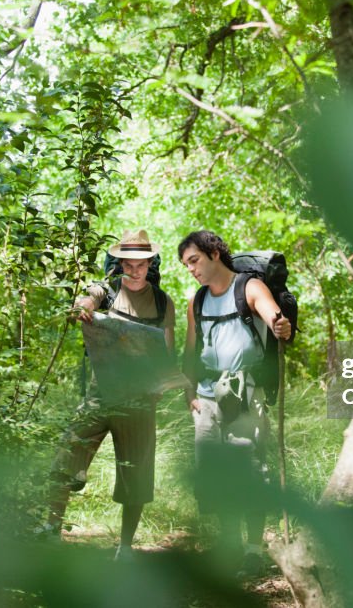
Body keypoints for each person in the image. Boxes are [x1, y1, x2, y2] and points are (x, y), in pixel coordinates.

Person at [45, 229, 175, 561]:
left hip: (140, 399)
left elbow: (167, 349)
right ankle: (50, 531)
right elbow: (86, 298)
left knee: (137, 473)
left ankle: (126, 548)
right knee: (67, 456)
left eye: (141, 265)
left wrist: (159, 383)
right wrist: (84, 307)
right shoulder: (107, 290)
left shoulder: (162, 302)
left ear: (149, 264)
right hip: (100, 393)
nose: (134, 271)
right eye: (127, 265)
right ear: (118, 265)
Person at [178, 230, 291, 575]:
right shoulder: (196, 301)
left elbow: (272, 314)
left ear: (214, 253)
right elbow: (190, 349)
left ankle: (253, 551)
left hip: (246, 394)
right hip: (208, 399)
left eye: (194, 260)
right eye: (186, 265)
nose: (191, 270)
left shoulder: (249, 288)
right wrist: (190, 392)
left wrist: (280, 324)